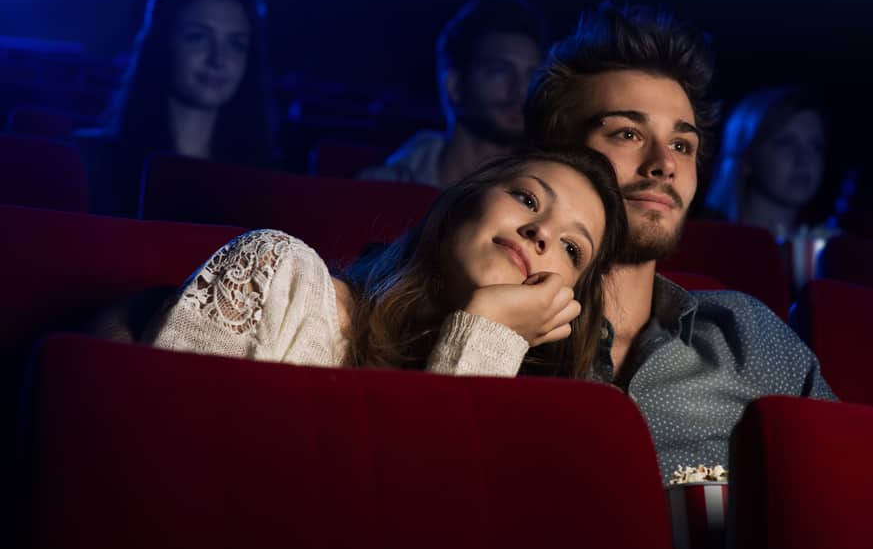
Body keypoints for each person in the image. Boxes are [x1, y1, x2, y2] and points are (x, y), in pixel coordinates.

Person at [523, 3, 837, 478]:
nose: (663, 164)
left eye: (682, 145)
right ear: (553, 156)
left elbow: (851, 488)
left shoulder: (750, 338)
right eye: (628, 133)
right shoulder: (484, 324)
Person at [149, 147, 627, 379]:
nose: (543, 232)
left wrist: (487, 335)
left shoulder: (536, 417)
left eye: (572, 249)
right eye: (526, 198)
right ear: (462, 203)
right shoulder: (280, 275)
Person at [76, 0, 278, 216]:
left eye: (236, 44)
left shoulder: (267, 180)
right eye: (197, 37)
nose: (218, 59)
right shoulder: (90, 162)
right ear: (161, 45)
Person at [357, 0, 547, 188]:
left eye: (531, 75)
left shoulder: (540, 195)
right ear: (453, 85)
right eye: (499, 71)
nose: (521, 88)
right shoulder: (381, 185)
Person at [703, 86, 829, 236]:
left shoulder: (829, 252)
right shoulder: (705, 244)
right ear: (746, 154)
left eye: (815, 146)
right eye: (785, 142)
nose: (804, 159)